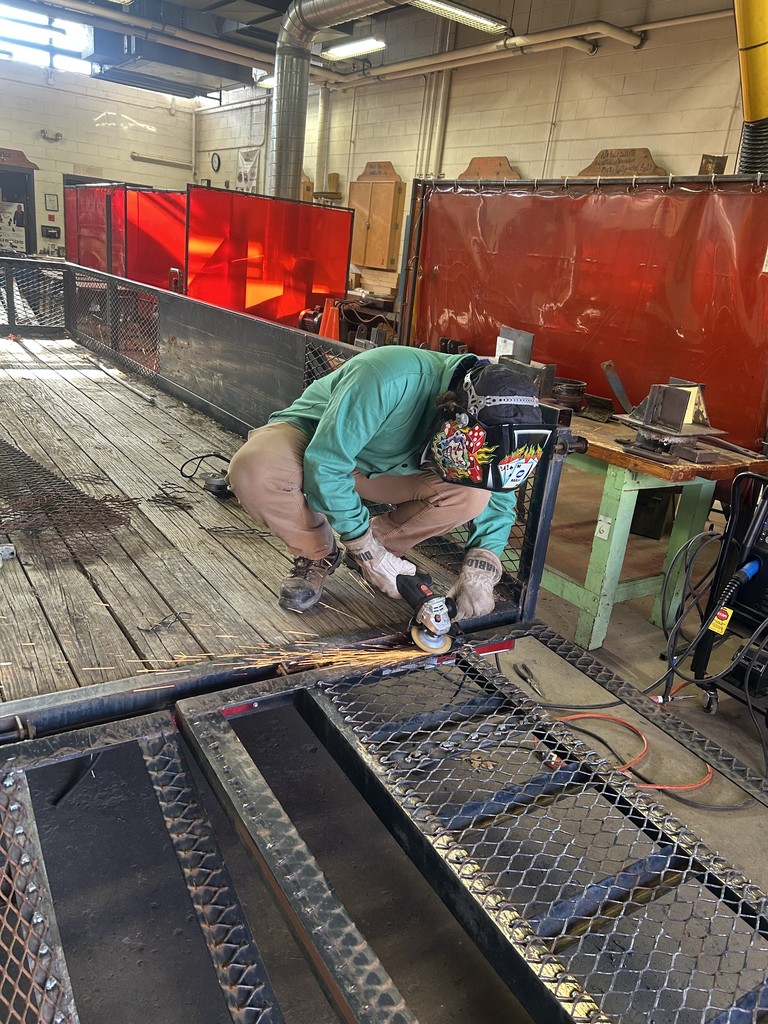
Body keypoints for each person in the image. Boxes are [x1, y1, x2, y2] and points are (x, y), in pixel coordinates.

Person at [226, 345, 551, 620]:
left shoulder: (482, 423)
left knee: (473, 496)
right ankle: (318, 553)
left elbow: (496, 482)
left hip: (387, 465)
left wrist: (483, 567)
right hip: (315, 441)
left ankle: (383, 547)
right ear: (454, 414)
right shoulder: (388, 376)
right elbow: (325, 463)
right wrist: (362, 545)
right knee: (254, 471)